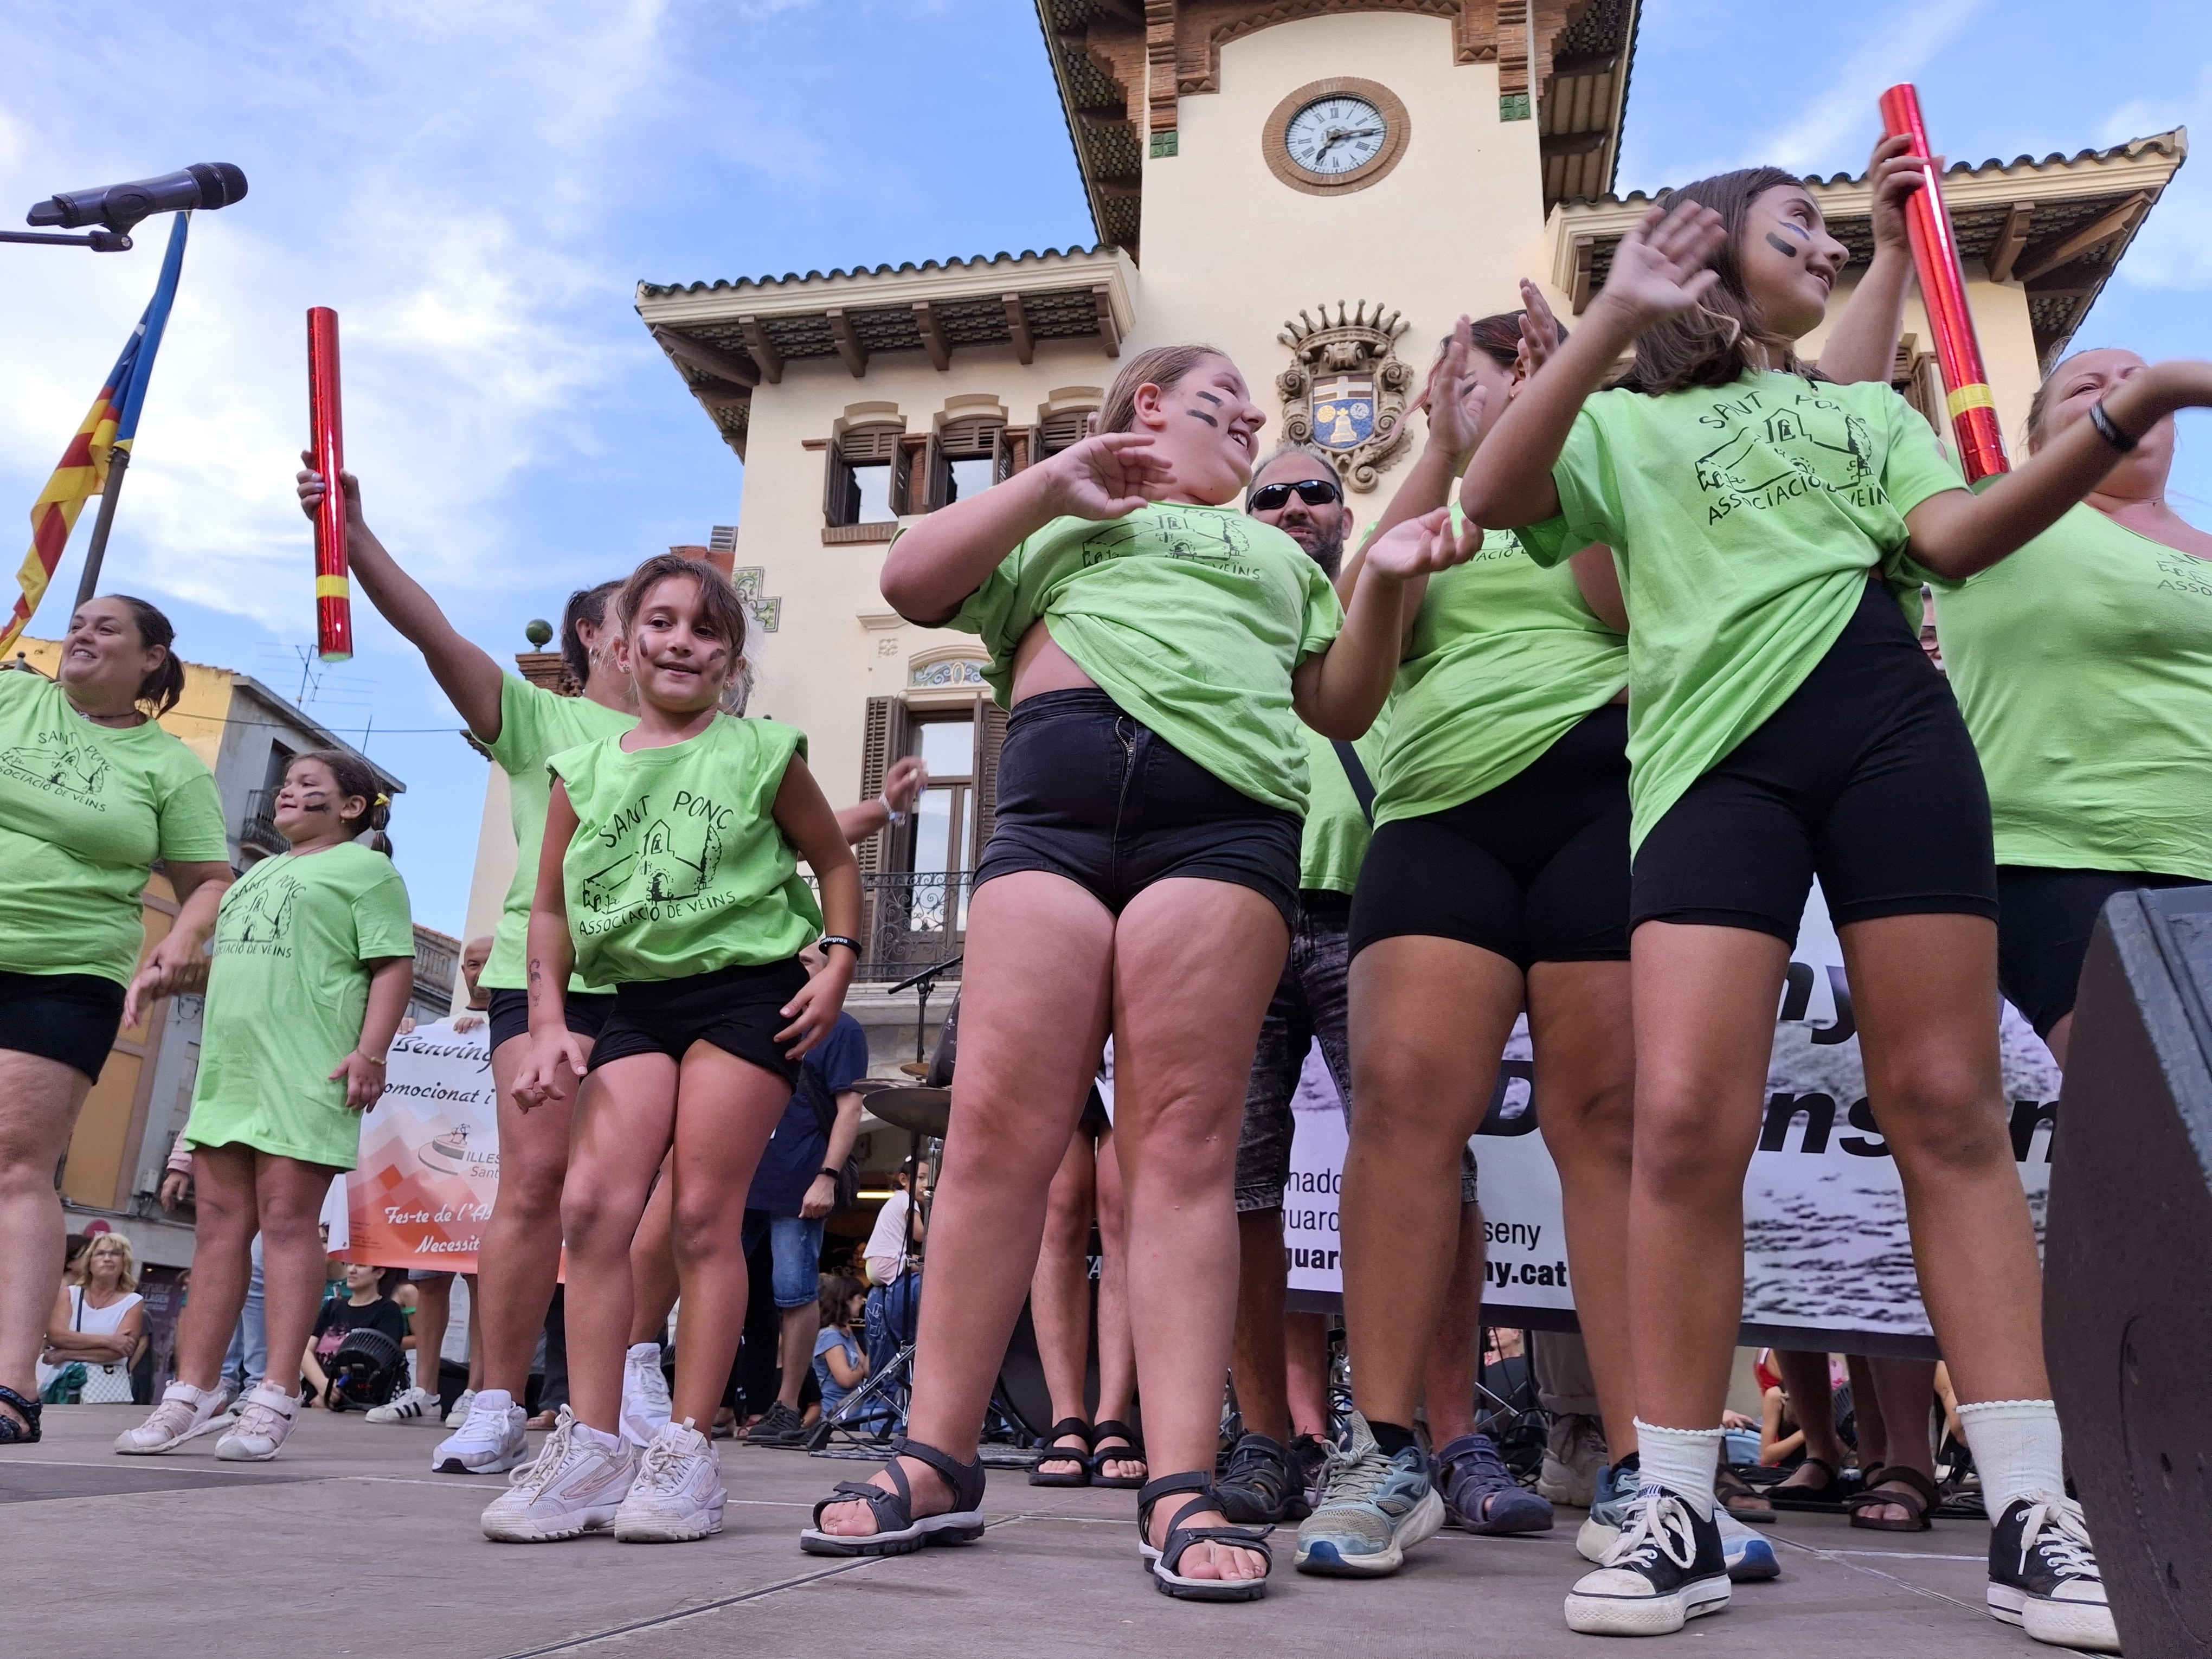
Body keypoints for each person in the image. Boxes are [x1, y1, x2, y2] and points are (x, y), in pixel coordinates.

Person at [1456, 157, 2212, 1648]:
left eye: (1829, 228)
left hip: (1891, 743)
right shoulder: (1619, 420)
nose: (1823, 240)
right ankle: (1671, 1496)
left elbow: (1957, 540)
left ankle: (2030, 1505)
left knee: (1946, 1104)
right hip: (1709, 770)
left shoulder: (1868, 410)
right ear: (1710, 264)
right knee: (1682, 1122)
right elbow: (1495, 492)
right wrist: (1608, 322)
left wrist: (2140, 400)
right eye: (1792, 226)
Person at [801, 343, 1472, 1604]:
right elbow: (910, 576)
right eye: (1223, 400)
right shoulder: (1055, 522)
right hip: (1046, 823)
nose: (1251, 422)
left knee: (1181, 1150)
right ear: (1147, 407)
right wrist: (1053, 478)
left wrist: (1377, 579)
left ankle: (1174, 1478)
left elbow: (1335, 703)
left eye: (1256, 417)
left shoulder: (1279, 556)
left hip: (1220, 829)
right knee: (1000, 1130)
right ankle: (935, 1453)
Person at [481, 552, 860, 1545]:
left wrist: (840, 962)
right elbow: (553, 910)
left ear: (730, 660)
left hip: (748, 993)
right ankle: (594, 1442)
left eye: (704, 628)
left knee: (701, 1213)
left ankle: (688, 1450)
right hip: (635, 1000)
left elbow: (832, 860)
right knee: (592, 1206)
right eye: (661, 622)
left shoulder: (763, 752)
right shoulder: (581, 769)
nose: (681, 641)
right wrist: (552, 1020)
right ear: (620, 642)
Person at [297, 460, 660, 1477]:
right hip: (541, 984)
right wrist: (357, 540)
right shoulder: (541, 721)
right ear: (597, 635)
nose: (669, 637)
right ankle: (495, 1401)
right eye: (647, 617)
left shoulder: (699, 743)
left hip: (657, 989)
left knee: (624, 1202)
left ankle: (610, 1400)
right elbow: (434, 633)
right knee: (535, 1189)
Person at [1211, 438, 1463, 1533]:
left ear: (1351, 518)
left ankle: (1451, 1445)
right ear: (1247, 516)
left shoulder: (1399, 598)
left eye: (1322, 490)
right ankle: (1268, 1441)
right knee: (1233, 1192)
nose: (1300, 504)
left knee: (1433, 1173)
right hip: (1244, 913)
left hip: (1382, 911)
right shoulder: (1221, 616)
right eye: (1274, 494)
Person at [117, 750, 415, 1462]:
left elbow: (392, 965)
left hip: (305, 1070)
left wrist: (369, 1054)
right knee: (217, 1230)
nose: (288, 793)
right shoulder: (256, 876)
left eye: (308, 786)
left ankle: (276, 1395)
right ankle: (193, 1393)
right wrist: (172, 977)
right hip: (232, 1073)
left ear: (351, 808)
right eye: (284, 784)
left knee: (285, 1225)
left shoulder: (367, 871)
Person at [1934, 346, 2212, 1067]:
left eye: (2140, 382)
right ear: (2041, 445)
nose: (2128, 394)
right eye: (2088, 389)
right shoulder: (1998, 516)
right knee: (2161, 1107)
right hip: (2068, 857)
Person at [0, 596, 232, 1446]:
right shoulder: (9, 696)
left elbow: (208, 874)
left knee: (14, 1164)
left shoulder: (169, 768)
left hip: (63, 970)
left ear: (152, 660)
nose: (84, 634)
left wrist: (180, 939)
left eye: (108, 628)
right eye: (78, 623)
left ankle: (12, 1383)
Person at [743, 942, 869, 1448]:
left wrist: (827, 1174)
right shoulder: (755, 1019)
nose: (794, 970)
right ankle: (712, 1402)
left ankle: (787, 1406)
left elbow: (851, 1108)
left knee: (795, 1296)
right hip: (738, 1179)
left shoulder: (842, 1029)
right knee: (717, 1287)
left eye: (808, 962)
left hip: (796, 1181)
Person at [1026, 1080, 1142, 1489]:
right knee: (1060, 1207)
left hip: (1135, 1021)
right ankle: (1066, 1417)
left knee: (1122, 1209)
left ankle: (1114, 1417)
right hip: (1060, 1018)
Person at [37, 1231, 147, 1400]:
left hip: (104, 1391)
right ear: (89, 1262)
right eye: (100, 1253)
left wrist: (66, 1354)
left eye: (115, 1254)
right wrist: (109, 1341)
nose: (107, 1258)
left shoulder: (133, 1302)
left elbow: (121, 1351)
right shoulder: (69, 1294)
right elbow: (57, 1336)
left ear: (124, 1262)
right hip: (60, 1385)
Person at [302, 1263, 411, 1407]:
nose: (351, 1270)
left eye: (360, 1266)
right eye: (349, 1264)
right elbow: (305, 1351)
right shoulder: (333, 1306)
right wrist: (323, 1386)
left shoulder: (388, 1312)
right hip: (314, 1395)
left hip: (356, 1402)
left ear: (379, 1273)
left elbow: (378, 1364)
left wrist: (331, 1394)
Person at [861, 1159, 928, 1390]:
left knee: (921, 1263)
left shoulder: (895, 1201)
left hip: (877, 1264)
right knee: (927, 1266)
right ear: (904, 1180)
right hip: (888, 1262)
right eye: (921, 1178)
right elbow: (920, 1235)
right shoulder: (907, 1201)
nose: (926, 1184)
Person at [812, 1275, 870, 1421]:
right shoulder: (830, 1336)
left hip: (851, 1413)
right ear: (847, 1300)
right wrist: (861, 1371)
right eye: (859, 1298)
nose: (863, 1303)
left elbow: (866, 1366)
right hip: (832, 1415)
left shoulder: (846, 1332)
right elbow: (846, 1379)